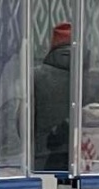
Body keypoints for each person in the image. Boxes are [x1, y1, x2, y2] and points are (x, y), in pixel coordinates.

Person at [33, 22, 72, 172]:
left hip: (42, 154)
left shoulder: (35, 76)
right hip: (83, 153)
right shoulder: (91, 77)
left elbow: (21, 121)